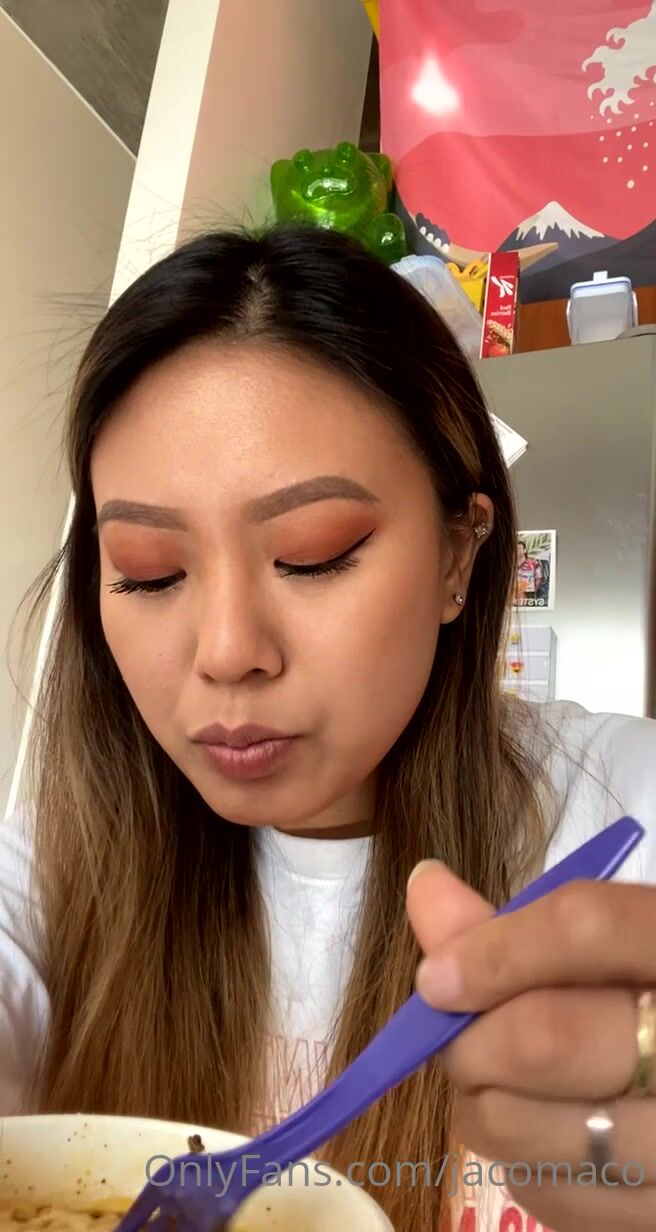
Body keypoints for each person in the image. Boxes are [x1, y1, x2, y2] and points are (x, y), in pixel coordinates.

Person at [0, 223, 655, 1232]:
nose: (227, 650)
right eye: (149, 571)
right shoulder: (57, 853)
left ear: (458, 553)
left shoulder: (625, 802)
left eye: (311, 555)